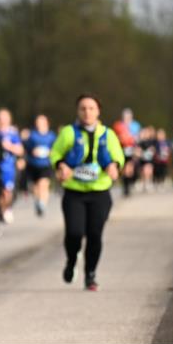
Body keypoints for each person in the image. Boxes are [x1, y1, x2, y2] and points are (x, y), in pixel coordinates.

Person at [50, 94, 125, 292]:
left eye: (91, 108)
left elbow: (118, 155)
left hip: (99, 191)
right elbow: (55, 153)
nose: (87, 112)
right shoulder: (68, 133)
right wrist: (61, 165)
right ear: (78, 111)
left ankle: (90, 274)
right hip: (74, 192)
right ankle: (71, 259)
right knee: (74, 233)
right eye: (83, 108)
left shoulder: (107, 134)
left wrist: (115, 166)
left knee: (94, 234)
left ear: (98, 111)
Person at [0, 108, 24, 224]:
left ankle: (6, 209)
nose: (2, 120)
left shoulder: (13, 133)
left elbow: (20, 150)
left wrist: (9, 146)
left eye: (5, 117)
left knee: (7, 191)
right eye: (0, 117)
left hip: (8, 167)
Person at [23, 114, 56, 217]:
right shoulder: (32, 135)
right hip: (33, 164)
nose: (39, 124)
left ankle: (42, 204)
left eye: (41, 122)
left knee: (44, 184)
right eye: (38, 122)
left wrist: (49, 152)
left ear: (46, 123)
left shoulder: (51, 136)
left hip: (46, 164)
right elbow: (26, 148)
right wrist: (32, 151)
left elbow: (56, 149)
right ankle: (38, 201)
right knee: (35, 187)